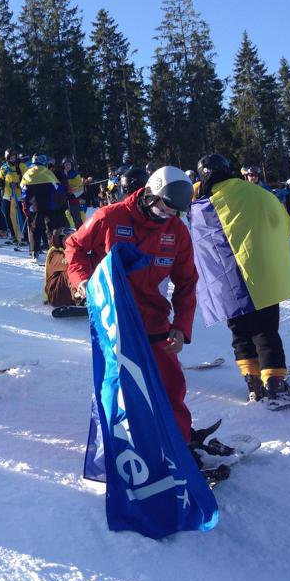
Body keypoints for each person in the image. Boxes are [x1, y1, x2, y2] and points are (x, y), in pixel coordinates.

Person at [66, 166, 200, 445]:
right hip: (114, 318)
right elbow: (74, 246)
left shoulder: (177, 231)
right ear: (151, 195)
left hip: (154, 319)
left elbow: (187, 283)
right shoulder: (110, 217)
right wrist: (82, 282)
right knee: (118, 387)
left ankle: (180, 444)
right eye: (165, 208)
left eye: (175, 211)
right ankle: (119, 446)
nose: (169, 215)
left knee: (170, 384)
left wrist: (181, 326)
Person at [190, 154, 290, 403]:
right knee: (265, 329)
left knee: (240, 330)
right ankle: (274, 381)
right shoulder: (254, 193)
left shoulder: (200, 204)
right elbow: (282, 220)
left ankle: (253, 382)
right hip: (260, 274)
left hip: (225, 280)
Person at [21, 155, 64, 258]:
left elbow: (24, 191)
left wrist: (25, 205)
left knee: (35, 227)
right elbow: (58, 189)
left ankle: (34, 251)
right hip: (49, 204)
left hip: (35, 205)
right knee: (51, 227)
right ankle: (53, 250)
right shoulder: (48, 172)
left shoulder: (28, 173)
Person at [0, 148, 25, 243]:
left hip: (19, 194)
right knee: (8, 214)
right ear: (7, 158)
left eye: (14, 157)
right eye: (11, 158)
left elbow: (26, 178)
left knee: (21, 214)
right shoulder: (4, 167)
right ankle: (13, 234)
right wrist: (1, 183)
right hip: (7, 194)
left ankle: (24, 233)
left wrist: (18, 185)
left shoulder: (21, 166)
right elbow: (1, 178)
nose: (13, 159)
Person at [59, 158, 84, 228]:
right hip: (64, 201)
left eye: (69, 165)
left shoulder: (75, 175)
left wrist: (73, 194)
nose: (67, 166)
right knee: (67, 219)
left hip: (74, 200)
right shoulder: (61, 175)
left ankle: (81, 233)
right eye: (66, 165)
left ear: (71, 166)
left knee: (77, 218)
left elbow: (80, 188)